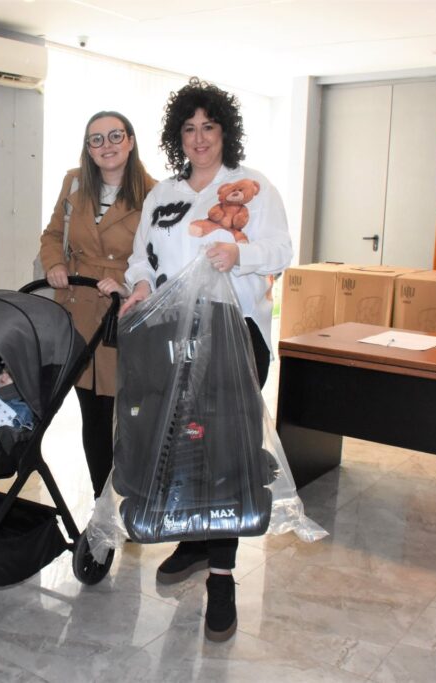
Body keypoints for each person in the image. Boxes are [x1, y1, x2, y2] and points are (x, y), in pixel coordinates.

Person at [120, 78, 293, 641]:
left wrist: (238, 253)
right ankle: (192, 540)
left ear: (225, 132)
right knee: (181, 441)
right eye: (189, 129)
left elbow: (281, 250)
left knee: (226, 454)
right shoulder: (164, 194)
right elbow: (141, 259)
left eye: (209, 127)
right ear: (179, 137)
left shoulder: (253, 188)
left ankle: (222, 577)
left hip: (235, 334)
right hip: (173, 336)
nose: (199, 138)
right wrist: (139, 286)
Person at [39, 111, 156, 499]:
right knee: (92, 411)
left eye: (115, 136)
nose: (106, 146)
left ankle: (133, 496)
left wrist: (125, 281)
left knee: (126, 413)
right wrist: (54, 264)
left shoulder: (155, 193)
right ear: (88, 148)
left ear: (131, 141)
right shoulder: (75, 182)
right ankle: (101, 501)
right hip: (76, 309)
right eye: (96, 139)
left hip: (122, 313)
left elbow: (160, 256)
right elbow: (53, 234)